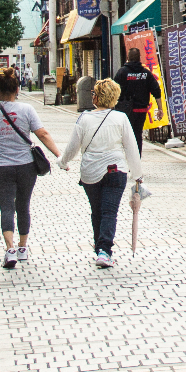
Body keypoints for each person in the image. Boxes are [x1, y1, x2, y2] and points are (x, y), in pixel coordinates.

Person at [0, 69, 61, 269]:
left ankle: (10, 249)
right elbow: (42, 133)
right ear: (17, 89)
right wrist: (59, 155)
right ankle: (23, 248)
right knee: (23, 206)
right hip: (26, 167)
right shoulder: (27, 109)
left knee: (6, 207)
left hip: (0, 167)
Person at [59, 79, 143, 268]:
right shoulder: (121, 118)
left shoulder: (84, 119)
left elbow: (73, 147)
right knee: (109, 212)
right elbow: (131, 148)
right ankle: (104, 250)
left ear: (98, 97)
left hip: (90, 172)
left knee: (97, 211)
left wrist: (63, 162)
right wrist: (137, 174)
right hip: (115, 170)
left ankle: (101, 249)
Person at [114, 48, 162, 154]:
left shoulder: (122, 72)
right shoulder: (146, 74)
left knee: (126, 135)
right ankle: (136, 158)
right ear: (140, 58)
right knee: (137, 134)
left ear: (127, 58)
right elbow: (156, 90)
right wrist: (160, 108)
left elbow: (113, 90)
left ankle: (128, 157)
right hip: (141, 110)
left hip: (125, 111)